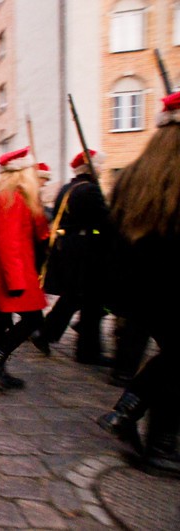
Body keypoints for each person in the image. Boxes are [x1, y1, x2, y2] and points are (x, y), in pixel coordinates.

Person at [96, 91, 180, 477]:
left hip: (141, 287)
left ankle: (127, 411)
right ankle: (159, 443)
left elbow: (115, 238)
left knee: (171, 358)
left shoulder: (132, 175)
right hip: (169, 283)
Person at [0, 147, 50, 390]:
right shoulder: (12, 198)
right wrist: (16, 281)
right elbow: (10, 242)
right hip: (12, 272)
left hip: (3, 270)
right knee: (32, 318)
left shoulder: (6, 196)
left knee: (2, 317)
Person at [31, 150, 113, 366]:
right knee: (90, 300)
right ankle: (87, 350)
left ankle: (47, 333)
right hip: (85, 252)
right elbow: (105, 222)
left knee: (73, 297)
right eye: (100, 166)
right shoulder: (89, 190)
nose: (102, 169)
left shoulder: (67, 188)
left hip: (68, 250)